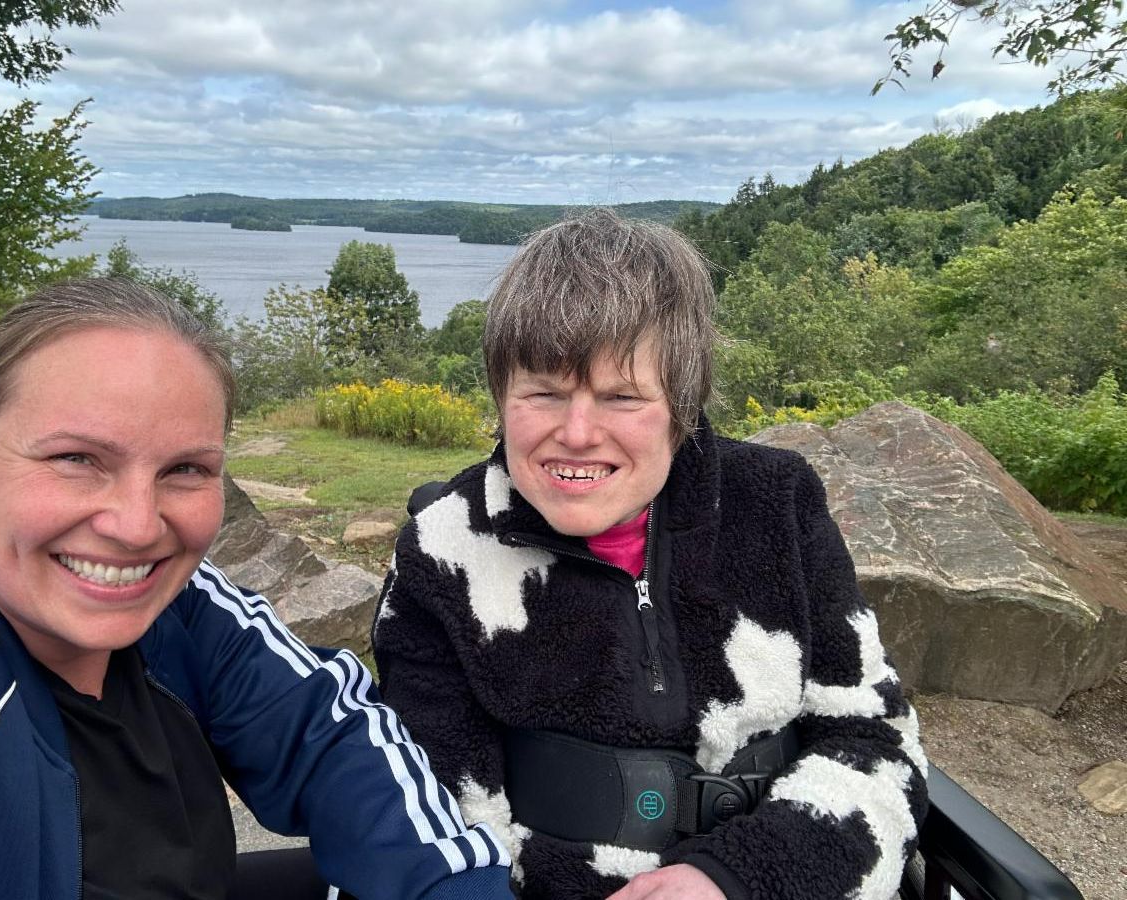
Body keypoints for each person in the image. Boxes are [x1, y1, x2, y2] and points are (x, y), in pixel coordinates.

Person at [372, 209, 929, 900]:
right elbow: (444, 820)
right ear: (501, 396)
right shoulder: (442, 550)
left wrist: (737, 880)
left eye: (622, 396)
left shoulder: (776, 504)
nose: (577, 433)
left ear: (681, 405)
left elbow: (875, 742)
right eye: (543, 391)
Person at [0, 278, 513, 900]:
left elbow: (330, 731)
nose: (135, 527)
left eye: (185, 469)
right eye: (76, 458)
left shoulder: (178, 601)